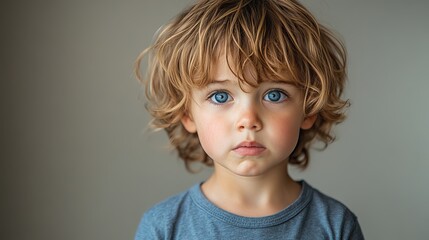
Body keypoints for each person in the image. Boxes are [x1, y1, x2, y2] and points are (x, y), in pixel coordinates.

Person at [134, 0, 364, 239]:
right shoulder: (162, 228)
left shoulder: (336, 226)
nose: (248, 120)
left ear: (309, 108)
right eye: (220, 96)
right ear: (187, 114)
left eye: (274, 95)